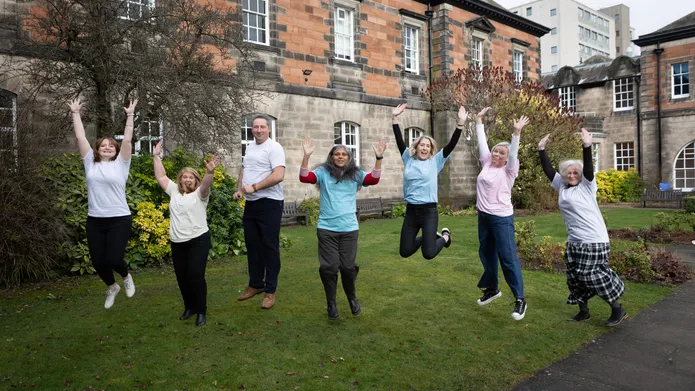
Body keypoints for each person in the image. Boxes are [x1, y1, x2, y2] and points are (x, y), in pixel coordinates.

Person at [538, 129, 627, 327]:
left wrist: (587, 146)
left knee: (590, 274)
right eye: (568, 173)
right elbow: (548, 170)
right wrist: (541, 149)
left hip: (594, 239)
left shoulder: (587, 186)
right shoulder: (561, 186)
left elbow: (588, 168)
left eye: (575, 173)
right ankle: (583, 311)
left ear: (580, 175)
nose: (571, 175)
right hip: (575, 240)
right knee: (574, 277)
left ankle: (617, 308)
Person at [298, 137, 387, 320]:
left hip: (349, 229)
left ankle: (352, 298)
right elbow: (304, 177)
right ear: (331, 157)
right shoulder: (323, 172)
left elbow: (374, 179)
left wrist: (379, 158)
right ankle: (331, 304)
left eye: (344, 154)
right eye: (337, 154)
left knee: (348, 267)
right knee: (329, 267)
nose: (340, 157)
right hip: (326, 228)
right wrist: (306, 156)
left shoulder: (355, 174)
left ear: (349, 157)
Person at [68, 98, 137, 309]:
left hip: (119, 219)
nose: (107, 147)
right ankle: (112, 287)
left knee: (115, 258)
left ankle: (126, 277)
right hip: (95, 220)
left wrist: (130, 116)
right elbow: (81, 137)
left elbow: (126, 141)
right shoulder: (90, 163)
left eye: (110, 146)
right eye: (103, 145)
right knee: (98, 262)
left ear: (115, 151)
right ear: (97, 150)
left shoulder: (121, 164)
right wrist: (76, 113)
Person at [152, 141, 218, 326]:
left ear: (195, 180)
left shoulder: (200, 194)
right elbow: (161, 176)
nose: (188, 180)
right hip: (177, 241)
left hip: (198, 240)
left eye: (191, 177)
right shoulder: (174, 191)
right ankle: (189, 307)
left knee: (196, 275)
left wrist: (210, 172)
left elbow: (206, 185)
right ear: (180, 180)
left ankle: (201, 311)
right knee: (182, 277)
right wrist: (156, 156)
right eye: (184, 177)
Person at [392, 103, 466, 260]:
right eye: (422, 145)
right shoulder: (408, 158)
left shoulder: (436, 160)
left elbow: (450, 145)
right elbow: (399, 140)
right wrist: (395, 118)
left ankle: (445, 237)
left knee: (429, 253)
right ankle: (430, 238)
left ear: (431, 149)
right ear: (417, 147)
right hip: (411, 211)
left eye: (428, 146)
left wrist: (460, 124)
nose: (424, 148)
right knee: (405, 251)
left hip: (429, 212)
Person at [474, 108, 529, 321]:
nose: (496, 154)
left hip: (501, 219)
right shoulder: (487, 163)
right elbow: (482, 143)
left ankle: (520, 299)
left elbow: (514, 153)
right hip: (484, 217)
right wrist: (478, 121)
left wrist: (516, 134)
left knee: (507, 258)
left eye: (501, 153)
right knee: (486, 254)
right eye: (495, 151)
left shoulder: (509, 170)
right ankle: (492, 289)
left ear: (507, 159)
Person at [234, 114, 286, 309]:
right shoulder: (250, 147)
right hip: (252, 203)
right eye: (255, 127)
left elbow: (279, 175)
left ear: (268, 128)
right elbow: (244, 169)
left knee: (269, 247)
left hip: (270, 203)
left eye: (262, 126)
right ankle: (255, 284)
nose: (259, 130)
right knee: (253, 246)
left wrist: (254, 187)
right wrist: (240, 189)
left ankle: (270, 290)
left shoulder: (274, 148)